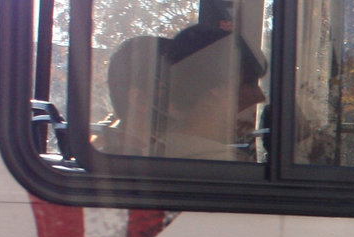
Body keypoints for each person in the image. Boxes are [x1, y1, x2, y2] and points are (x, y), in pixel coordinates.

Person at [102, 23, 265, 161]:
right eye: (166, 87)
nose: (176, 93)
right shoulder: (221, 163)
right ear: (139, 100)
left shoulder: (152, 155)